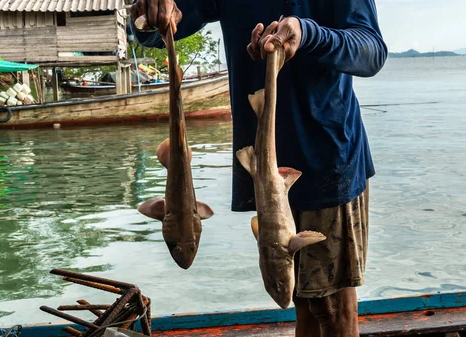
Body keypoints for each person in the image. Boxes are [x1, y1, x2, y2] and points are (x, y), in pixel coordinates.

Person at [130, 0, 387, 336]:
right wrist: (148, 14)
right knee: (300, 298)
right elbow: (158, 26)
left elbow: (371, 51)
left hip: (325, 154)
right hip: (260, 165)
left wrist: (306, 33)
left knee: (332, 307)